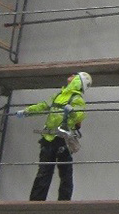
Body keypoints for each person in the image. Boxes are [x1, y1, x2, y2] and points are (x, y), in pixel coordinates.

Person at [17, 72, 93, 202]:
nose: (71, 75)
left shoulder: (76, 98)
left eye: (75, 75)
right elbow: (43, 106)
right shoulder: (59, 95)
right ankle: (36, 202)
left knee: (65, 173)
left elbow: (80, 115)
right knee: (44, 172)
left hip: (63, 139)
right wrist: (27, 111)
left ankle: (64, 201)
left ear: (79, 81)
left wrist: (72, 112)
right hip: (49, 138)